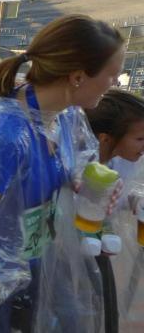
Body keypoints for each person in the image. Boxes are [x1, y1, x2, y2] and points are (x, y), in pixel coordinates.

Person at [0, 15, 125, 333]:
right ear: (77, 77)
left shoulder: (65, 117)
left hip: (32, 268)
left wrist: (83, 187)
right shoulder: (4, 135)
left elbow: (66, 171)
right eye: (112, 75)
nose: (116, 82)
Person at [83, 90, 144, 333]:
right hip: (80, 248)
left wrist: (133, 200)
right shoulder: (83, 164)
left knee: (103, 306)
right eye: (140, 139)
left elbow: (116, 198)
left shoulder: (122, 162)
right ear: (106, 139)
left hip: (101, 249)